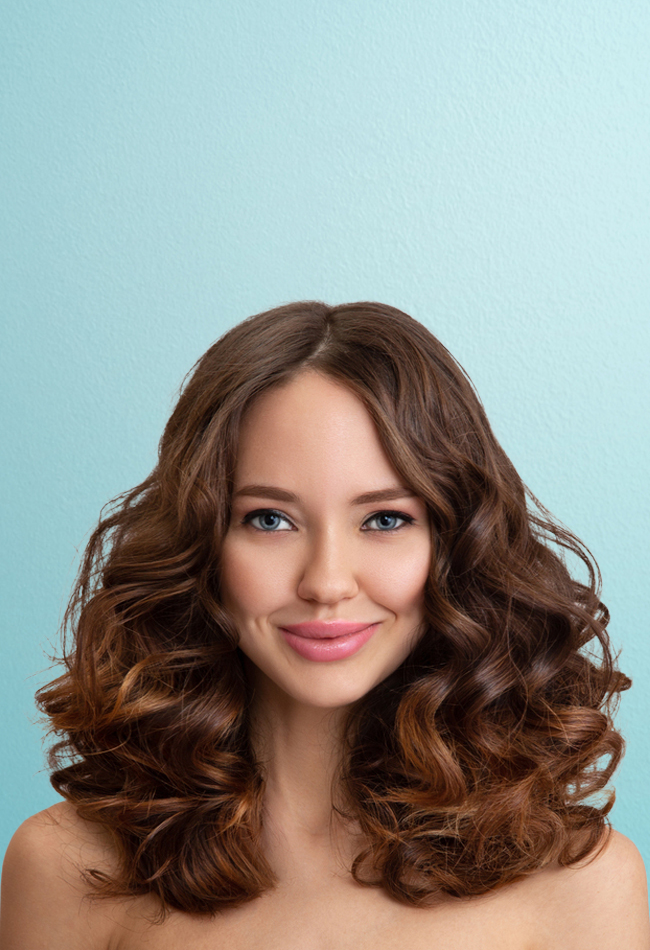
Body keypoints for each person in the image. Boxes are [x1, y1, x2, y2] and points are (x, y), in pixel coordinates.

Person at [1, 300, 648, 949]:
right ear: (202, 547)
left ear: (454, 544)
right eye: (270, 520)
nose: (328, 582)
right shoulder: (64, 869)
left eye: (385, 519)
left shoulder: (581, 886)